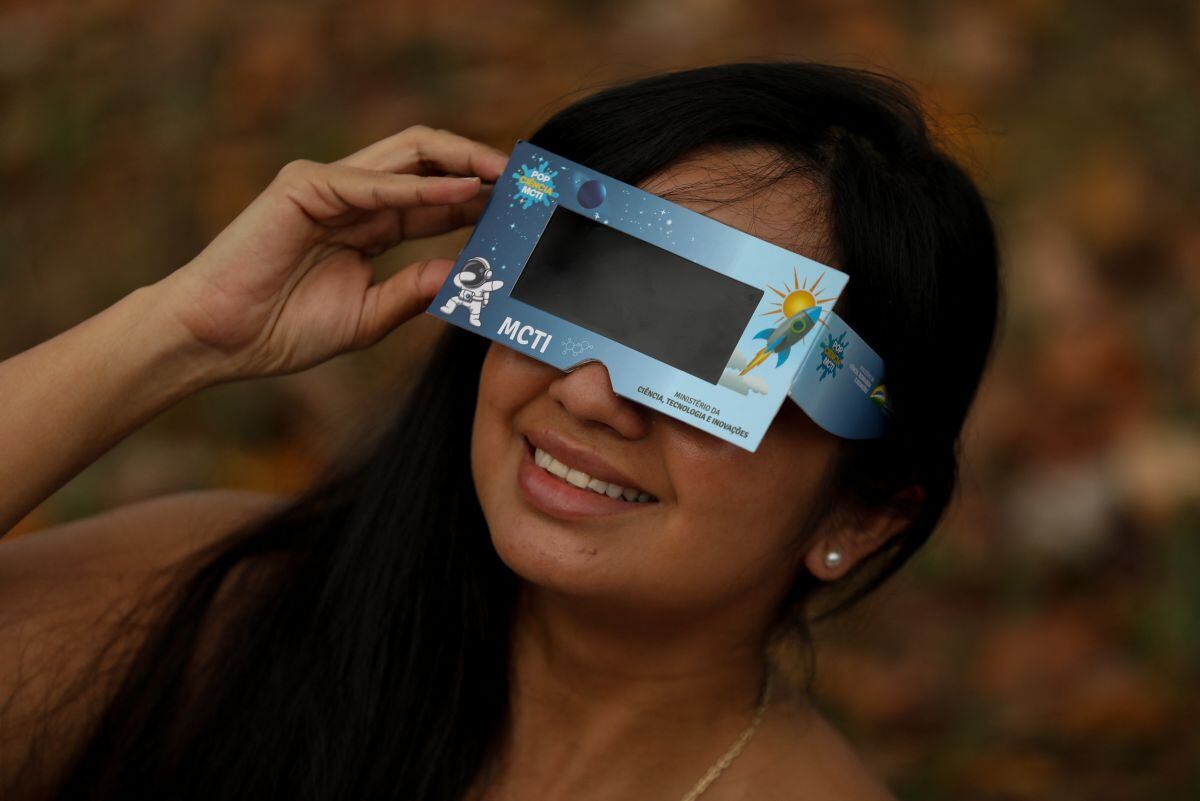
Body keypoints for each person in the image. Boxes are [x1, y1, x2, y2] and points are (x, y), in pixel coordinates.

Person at [0, 62, 1001, 800]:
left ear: (862, 515)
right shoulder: (219, 606)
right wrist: (180, 334)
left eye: (711, 358)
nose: (593, 394)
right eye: (579, 292)